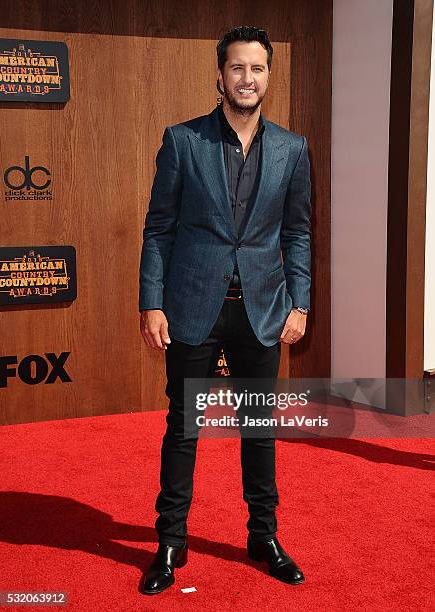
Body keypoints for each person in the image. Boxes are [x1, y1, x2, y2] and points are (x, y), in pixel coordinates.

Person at [138, 25, 311, 595]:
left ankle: (264, 536)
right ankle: (170, 541)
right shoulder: (182, 141)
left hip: (262, 309)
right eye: (237, 68)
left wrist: (300, 301)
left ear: (269, 76)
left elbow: (298, 232)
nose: (247, 78)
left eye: (257, 69)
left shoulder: (291, 148)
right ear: (219, 75)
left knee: (258, 430)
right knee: (183, 429)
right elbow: (159, 228)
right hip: (193, 306)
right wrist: (152, 302)